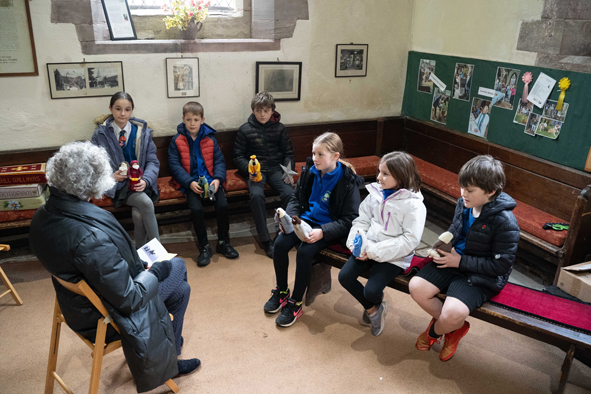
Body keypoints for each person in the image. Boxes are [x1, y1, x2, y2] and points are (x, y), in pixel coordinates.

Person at [29, 142, 200, 393]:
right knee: (178, 266)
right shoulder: (89, 236)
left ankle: (170, 353)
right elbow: (130, 298)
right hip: (105, 316)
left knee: (181, 290)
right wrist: (154, 272)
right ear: (91, 182)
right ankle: (167, 355)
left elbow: (96, 266)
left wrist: (138, 267)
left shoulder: (44, 214)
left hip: (75, 305)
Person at [409, 155, 520, 361]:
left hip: (480, 274)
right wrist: (443, 244)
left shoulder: (505, 221)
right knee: (416, 287)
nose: (462, 194)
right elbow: (456, 229)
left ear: (491, 191)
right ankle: (455, 328)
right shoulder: (464, 203)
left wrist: (459, 262)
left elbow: (501, 266)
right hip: (454, 260)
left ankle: (434, 332)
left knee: (452, 313)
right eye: (462, 187)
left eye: (469, 190)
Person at [264, 132, 363, 327]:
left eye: (320, 154)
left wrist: (323, 232)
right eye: (314, 153)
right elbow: (295, 199)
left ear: (335, 156)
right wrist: (290, 219)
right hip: (304, 220)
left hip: (328, 227)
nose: (315, 159)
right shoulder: (310, 171)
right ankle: (282, 292)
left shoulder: (348, 181)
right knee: (280, 244)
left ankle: (295, 303)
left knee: (304, 251)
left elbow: (350, 219)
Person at [339, 152, 426, 336]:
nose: (379, 177)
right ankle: (374, 310)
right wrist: (356, 244)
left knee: (371, 291)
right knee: (344, 277)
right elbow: (361, 221)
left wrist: (371, 251)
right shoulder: (375, 194)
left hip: (394, 256)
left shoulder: (414, 205)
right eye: (379, 172)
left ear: (401, 176)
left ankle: (374, 304)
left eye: (385, 174)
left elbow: (409, 241)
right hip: (369, 247)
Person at [168, 101, 239, 267]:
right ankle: (204, 247)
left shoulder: (210, 140)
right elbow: (174, 165)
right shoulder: (177, 140)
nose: (192, 123)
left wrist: (217, 179)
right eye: (189, 119)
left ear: (202, 119)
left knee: (222, 205)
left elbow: (219, 161)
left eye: (196, 119)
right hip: (190, 184)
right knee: (197, 209)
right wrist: (189, 182)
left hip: (211, 181)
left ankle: (223, 242)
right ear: (183, 120)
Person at [91, 92, 160, 247]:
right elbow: (95, 165)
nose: (123, 113)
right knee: (146, 204)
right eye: (118, 109)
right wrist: (111, 176)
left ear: (132, 110)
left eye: (127, 109)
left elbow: (153, 162)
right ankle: (159, 252)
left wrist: (146, 180)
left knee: (138, 215)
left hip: (141, 184)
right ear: (110, 109)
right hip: (120, 187)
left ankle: (140, 253)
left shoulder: (143, 132)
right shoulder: (100, 135)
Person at [233, 91, 295, 258]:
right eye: (259, 110)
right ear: (253, 110)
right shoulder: (245, 129)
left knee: (290, 194)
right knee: (256, 195)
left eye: (266, 110)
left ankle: (284, 233)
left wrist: (288, 172)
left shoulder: (280, 128)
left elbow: (288, 152)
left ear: (272, 111)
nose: (262, 114)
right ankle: (266, 240)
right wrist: (249, 169)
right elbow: (238, 156)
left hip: (276, 168)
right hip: (256, 171)